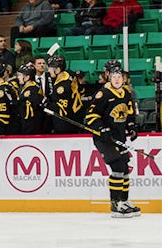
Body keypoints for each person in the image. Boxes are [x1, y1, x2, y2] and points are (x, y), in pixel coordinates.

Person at [84, 65, 140, 218]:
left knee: (125, 167)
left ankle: (124, 200)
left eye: (119, 77)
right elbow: (90, 116)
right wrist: (102, 128)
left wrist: (131, 127)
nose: (117, 79)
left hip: (119, 136)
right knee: (117, 166)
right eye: (114, 77)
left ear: (123, 78)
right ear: (109, 77)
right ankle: (115, 204)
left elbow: (129, 113)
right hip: (104, 138)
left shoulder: (126, 92)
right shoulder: (103, 94)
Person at [46, 56, 83, 134]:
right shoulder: (69, 73)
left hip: (66, 123)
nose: (48, 70)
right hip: (77, 112)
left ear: (58, 69)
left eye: (50, 68)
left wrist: (45, 103)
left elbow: (60, 109)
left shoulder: (61, 88)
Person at [16, 63, 46, 134]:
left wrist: (20, 98)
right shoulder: (26, 87)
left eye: (20, 75)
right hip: (26, 123)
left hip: (32, 126)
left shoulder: (33, 88)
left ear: (27, 77)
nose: (18, 77)